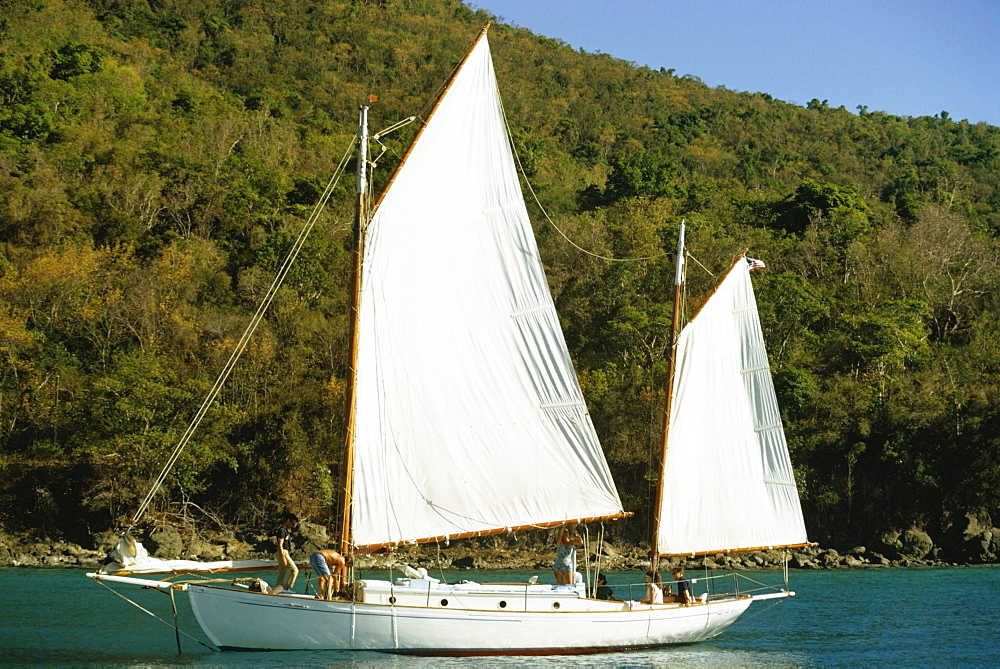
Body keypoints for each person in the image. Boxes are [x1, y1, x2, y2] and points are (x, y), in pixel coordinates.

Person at [274, 513, 299, 592]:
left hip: (285, 552)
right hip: (283, 552)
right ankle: (287, 588)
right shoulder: (282, 531)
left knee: (282, 571)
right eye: (292, 524)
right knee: (295, 570)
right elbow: (280, 544)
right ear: (288, 521)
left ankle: (278, 588)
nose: (292, 526)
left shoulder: (286, 531)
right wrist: (283, 557)